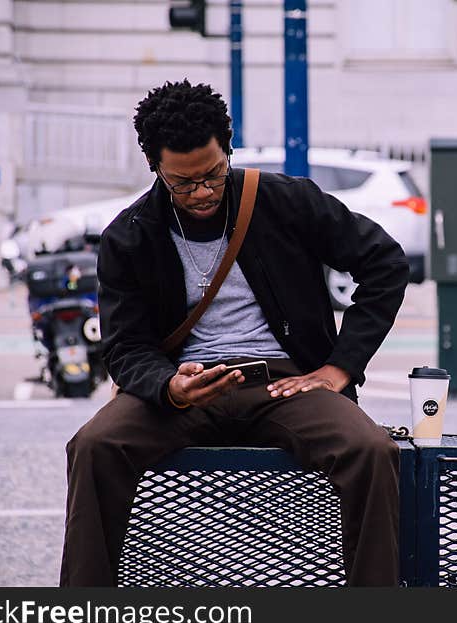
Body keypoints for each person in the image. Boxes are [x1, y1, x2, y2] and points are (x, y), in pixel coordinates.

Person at [59, 80, 409, 587]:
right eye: (183, 183)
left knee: (371, 451)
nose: (201, 193)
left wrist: (340, 367)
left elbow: (385, 263)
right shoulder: (129, 235)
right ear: (154, 167)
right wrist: (168, 386)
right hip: (181, 390)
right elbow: (124, 345)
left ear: (229, 150)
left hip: (284, 384)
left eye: (213, 174)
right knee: (93, 446)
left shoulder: (286, 201)